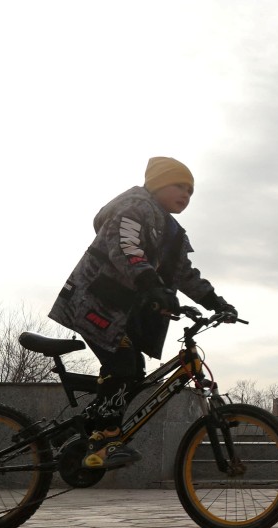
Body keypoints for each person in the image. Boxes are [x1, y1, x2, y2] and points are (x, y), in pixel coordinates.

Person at [49, 157, 238, 470]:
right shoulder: (133, 207)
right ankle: (104, 440)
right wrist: (152, 285)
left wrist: (215, 301)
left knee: (134, 369)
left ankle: (81, 429)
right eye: (180, 185)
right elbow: (125, 248)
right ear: (158, 183)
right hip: (93, 300)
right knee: (122, 361)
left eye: (191, 191)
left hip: (120, 310)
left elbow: (184, 273)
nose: (186, 195)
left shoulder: (173, 232)